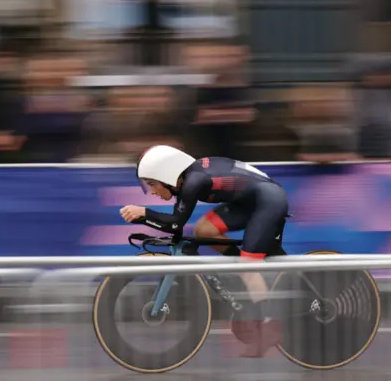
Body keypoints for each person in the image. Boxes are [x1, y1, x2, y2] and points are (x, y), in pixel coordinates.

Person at [120, 144, 288, 357]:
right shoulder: (188, 178)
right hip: (249, 201)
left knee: (249, 265)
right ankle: (247, 274)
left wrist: (144, 212)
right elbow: (177, 223)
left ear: (167, 175)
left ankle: (268, 326)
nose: (152, 191)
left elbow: (175, 224)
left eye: (153, 184)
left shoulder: (194, 181)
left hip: (268, 201)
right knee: (204, 230)